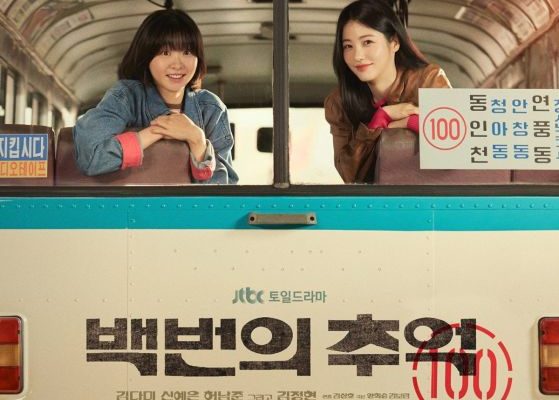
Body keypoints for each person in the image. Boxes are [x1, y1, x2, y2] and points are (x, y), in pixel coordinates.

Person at [74, 8, 238, 184]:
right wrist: (154, 132)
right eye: (165, 53)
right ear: (147, 57)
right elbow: (91, 157)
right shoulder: (126, 97)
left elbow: (224, 189)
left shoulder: (211, 108)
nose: (177, 64)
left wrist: (197, 139)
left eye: (187, 52)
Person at [324, 0, 451, 183]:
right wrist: (378, 122)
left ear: (394, 43)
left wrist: (407, 122)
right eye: (348, 46)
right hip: (378, 199)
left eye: (367, 42)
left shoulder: (428, 80)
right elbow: (349, 175)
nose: (357, 56)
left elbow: (455, 146)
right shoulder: (339, 102)